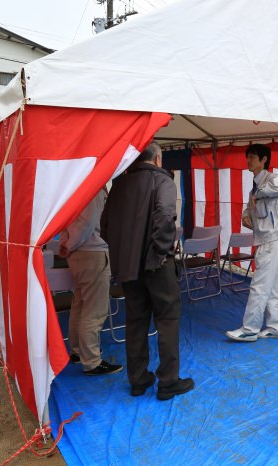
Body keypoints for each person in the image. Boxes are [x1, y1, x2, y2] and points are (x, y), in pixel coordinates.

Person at [100, 141, 194, 401]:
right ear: (158, 159)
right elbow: (165, 215)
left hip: (129, 266)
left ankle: (138, 379)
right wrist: (158, 254)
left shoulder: (119, 184)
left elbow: (105, 225)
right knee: (167, 320)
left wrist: (122, 254)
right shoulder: (162, 181)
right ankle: (168, 381)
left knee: (136, 321)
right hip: (157, 264)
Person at [226, 144, 278, 342]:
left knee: (260, 286)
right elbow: (249, 208)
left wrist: (258, 194)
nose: (249, 160)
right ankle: (276, 325)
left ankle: (250, 328)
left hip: (273, 240)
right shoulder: (255, 185)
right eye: (248, 157)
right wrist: (246, 216)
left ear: (264, 160)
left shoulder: (272, 179)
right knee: (271, 287)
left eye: (253, 157)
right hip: (265, 240)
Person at [59, 188, 123, 375]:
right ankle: (92, 361)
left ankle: (79, 351)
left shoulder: (75, 188)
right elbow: (89, 223)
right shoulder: (93, 190)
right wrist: (70, 244)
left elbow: (64, 222)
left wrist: (66, 244)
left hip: (78, 254)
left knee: (80, 304)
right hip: (93, 252)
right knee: (95, 310)